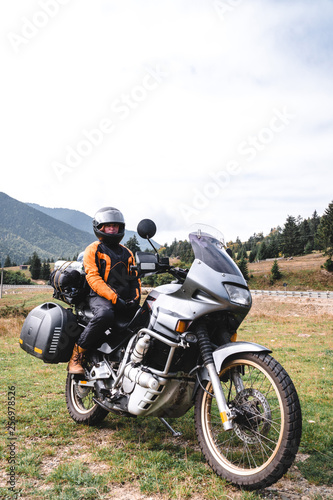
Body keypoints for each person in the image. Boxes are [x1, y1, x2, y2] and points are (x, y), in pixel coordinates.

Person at [67, 207, 141, 374]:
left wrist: (135, 299)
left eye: (115, 226)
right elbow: (93, 278)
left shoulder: (127, 253)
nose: (112, 229)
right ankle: (76, 356)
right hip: (98, 297)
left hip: (122, 299)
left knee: (145, 317)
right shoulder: (93, 249)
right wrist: (114, 298)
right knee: (105, 315)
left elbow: (134, 278)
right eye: (108, 226)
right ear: (99, 228)